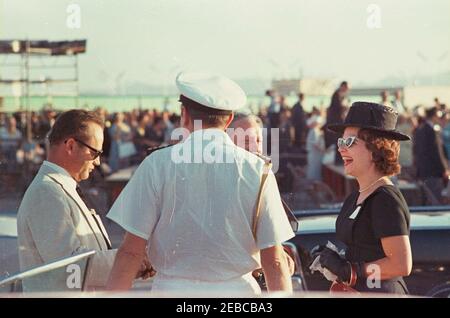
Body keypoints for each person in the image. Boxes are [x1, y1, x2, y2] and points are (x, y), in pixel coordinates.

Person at [106, 72, 294, 296]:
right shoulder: (258, 170)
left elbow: (130, 253)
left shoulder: (156, 164)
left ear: (184, 115)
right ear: (230, 119)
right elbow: (274, 260)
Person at [16, 110, 151, 292]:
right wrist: (131, 260)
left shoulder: (58, 187)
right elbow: (70, 265)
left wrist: (135, 262)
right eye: (95, 153)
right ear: (71, 146)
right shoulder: (46, 192)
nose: (97, 162)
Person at [313, 102, 412, 294]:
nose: (341, 149)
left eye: (349, 142)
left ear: (377, 148)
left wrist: (352, 270)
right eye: (340, 142)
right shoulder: (355, 196)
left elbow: (401, 264)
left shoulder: (385, 198)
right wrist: (334, 259)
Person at [413, 106, 449, 204]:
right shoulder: (431, 130)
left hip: (424, 172)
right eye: (438, 116)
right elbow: (437, 152)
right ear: (433, 116)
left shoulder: (420, 129)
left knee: (429, 200)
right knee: (437, 202)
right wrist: (444, 169)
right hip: (433, 172)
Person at [325, 81, 349, 165]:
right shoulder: (336, 95)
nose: (347, 90)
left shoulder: (340, 95)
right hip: (336, 122)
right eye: (346, 88)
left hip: (339, 122)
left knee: (340, 141)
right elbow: (336, 108)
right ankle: (338, 160)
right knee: (339, 141)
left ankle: (340, 160)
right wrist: (345, 107)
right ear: (343, 86)